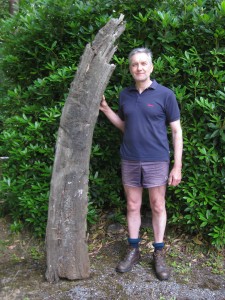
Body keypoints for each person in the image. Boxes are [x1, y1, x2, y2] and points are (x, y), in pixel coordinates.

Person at [99, 47, 183, 281]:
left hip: (157, 159)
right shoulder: (125, 95)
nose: (139, 67)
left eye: (143, 63)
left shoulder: (165, 95)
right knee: (133, 205)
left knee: (158, 206)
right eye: (135, 64)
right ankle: (133, 250)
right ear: (130, 69)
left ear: (151, 67)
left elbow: (176, 131)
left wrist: (177, 166)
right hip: (130, 158)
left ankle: (158, 252)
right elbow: (127, 126)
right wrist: (106, 109)